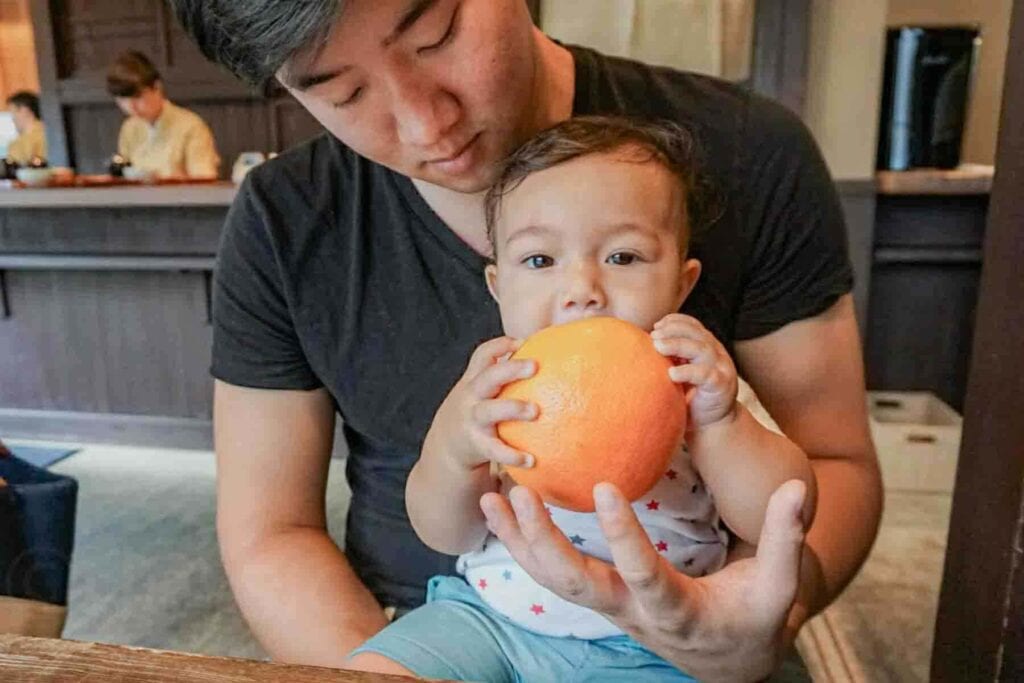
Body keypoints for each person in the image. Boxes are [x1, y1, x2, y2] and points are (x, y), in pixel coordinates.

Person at [170, 1, 882, 680]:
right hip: (463, 619)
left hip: (679, 633)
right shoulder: (283, 219)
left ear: (683, 276)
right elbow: (276, 532)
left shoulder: (744, 161)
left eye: (437, 33)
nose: (426, 126)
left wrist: (761, 611)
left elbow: (824, 468)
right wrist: (455, 450)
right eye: (341, 91)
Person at [345, 116, 819, 681]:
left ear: (681, 283)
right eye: (541, 261)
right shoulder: (499, 387)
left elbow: (783, 512)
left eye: (622, 257)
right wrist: (455, 451)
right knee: (377, 670)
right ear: (499, 287)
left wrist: (720, 423)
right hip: (488, 620)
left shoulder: (699, 385)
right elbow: (445, 531)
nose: (582, 292)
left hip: (657, 643)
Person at [106, 51, 220, 179]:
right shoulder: (129, 128)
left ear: (157, 87)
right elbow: (125, 176)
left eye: (137, 97)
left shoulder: (191, 126)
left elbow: (205, 179)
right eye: (122, 99)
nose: (131, 107)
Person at [5, 91, 46, 164]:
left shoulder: (44, 135)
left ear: (24, 110)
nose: (13, 119)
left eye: (13, 112)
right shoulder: (50, 130)